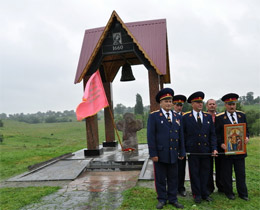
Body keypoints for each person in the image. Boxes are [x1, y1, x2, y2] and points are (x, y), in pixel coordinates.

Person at [147, 88, 186, 209]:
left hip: (174, 153)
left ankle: (173, 198)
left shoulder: (177, 116)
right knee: (160, 178)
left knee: (173, 177)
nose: (169, 104)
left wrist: (182, 151)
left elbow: (181, 136)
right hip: (160, 153)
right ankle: (162, 199)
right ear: (160, 103)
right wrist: (153, 153)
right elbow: (151, 136)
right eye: (166, 101)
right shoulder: (154, 116)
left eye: (170, 101)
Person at [182, 91, 218, 204]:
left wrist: (214, 148)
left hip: (206, 150)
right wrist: (183, 150)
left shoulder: (207, 116)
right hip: (193, 151)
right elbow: (182, 135)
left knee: (206, 173)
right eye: (197, 102)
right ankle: (197, 194)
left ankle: (205, 193)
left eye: (201, 102)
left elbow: (212, 134)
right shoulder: (186, 117)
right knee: (195, 173)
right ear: (192, 104)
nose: (200, 104)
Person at [215, 93, 249, 201]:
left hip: (239, 150)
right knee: (227, 173)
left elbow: (246, 130)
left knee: (241, 173)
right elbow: (217, 134)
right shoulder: (220, 117)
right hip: (226, 151)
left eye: (233, 104)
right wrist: (221, 144)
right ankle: (229, 192)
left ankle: (243, 193)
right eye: (229, 104)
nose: (232, 106)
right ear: (225, 105)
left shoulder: (241, 115)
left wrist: (247, 137)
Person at [205, 99, 224, 194]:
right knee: (208, 167)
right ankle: (209, 188)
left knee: (220, 167)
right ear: (206, 106)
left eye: (213, 104)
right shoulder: (203, 116)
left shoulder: (221, 116)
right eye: (210, 104)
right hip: (207, 145)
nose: (212, 106)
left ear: (216, 105)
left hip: (220, 145)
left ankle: (221, 186)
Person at [172, 94, 187, 197]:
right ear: (173, 105)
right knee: (172, 169)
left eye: (181, 105)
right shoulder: (170, 116)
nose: (179, 107)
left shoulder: (185, 116)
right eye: (177, 104)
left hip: (183, 146)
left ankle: (181, 188)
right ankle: (173, 188)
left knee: (181, 169)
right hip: (172, 146)